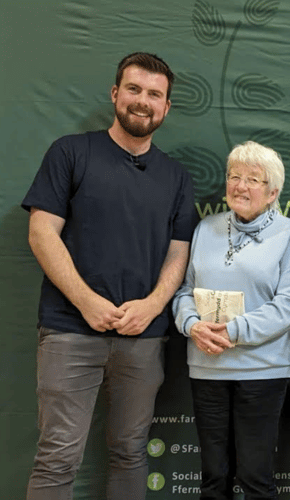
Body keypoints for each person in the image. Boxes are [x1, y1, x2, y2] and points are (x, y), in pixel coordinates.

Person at [21, 52, 196, 500]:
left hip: (144, 336)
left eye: (155, 94)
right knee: (58, 455)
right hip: (69, 332)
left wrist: (154, 305)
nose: (143, 101)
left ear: (167, 107)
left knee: (130, 452)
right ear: (115, 94)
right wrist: (86, 301)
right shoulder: (71, 152)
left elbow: (179, 252)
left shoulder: (175, 177)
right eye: (134, 90)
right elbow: (42, 232)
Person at [172, 141, 290, 499]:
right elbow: (184, 291)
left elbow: (288, 304)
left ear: (273, 191)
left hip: (263, 370)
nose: (240, 186)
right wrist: (192, 326)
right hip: (207, 366)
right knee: (214, 478)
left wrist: (231, 331)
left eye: (253, 179)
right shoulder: (205, 229)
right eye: (234, 176)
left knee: (255, 478)